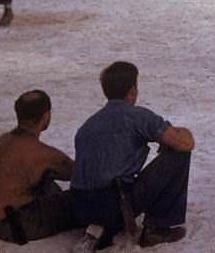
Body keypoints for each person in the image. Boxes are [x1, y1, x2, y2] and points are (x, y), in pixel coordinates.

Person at [71, 61, 194, 248]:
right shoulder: (136, 116)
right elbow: (185, 143)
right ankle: (157, 228)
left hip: (80, 207)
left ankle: (101, 228)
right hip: (114, 203)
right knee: (178, 154)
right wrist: (178, 133)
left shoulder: (86, 126)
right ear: (133, 90)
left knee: (108, 184)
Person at [0, 90, 78, 243]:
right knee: (77, 200)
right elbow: (79, 173)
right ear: (45, 116)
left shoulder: (2, 141)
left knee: (45, 181)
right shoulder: (41, 153)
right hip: (15, 227)